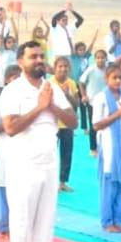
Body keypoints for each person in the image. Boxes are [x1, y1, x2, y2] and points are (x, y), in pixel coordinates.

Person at [0, 41, 78, 242]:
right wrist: (40, 107)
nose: (39, 61)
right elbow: (10, 127)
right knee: (22, 225)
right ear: (21, 61)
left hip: (48, 165)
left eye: (42, 56)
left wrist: (51, 105)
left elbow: (73, 121)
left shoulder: (52, 88)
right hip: (23, 166)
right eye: (33, 56)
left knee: (44, 226)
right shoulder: (12, 90)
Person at [92, 66, 121, 232]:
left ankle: (118, 221)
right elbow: (96, 125)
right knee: (109, 185)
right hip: (109, 147)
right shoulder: (101, 98)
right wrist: (118, 113)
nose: (118, 81)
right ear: (107, 79)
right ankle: (107, 222)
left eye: (120, 78)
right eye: (114, 78)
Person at [0, 65, 22, 236]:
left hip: (20, 150)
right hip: (3, 150)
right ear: (7, 80)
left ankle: (18, 224)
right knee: (2, 186)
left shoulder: (25, 101)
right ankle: (4, 226)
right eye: (14, 77)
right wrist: (11, 123)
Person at [52, 56, 81, 192]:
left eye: (65, 66)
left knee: (66, 154)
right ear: (55, 68)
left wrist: (67, 95)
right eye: (60, 66)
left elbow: (76, 105)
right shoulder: (49, 83)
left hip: (67, 125)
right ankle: (50, 182)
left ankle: (62, 182)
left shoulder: (72, 83)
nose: (63, 69)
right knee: (50, 154)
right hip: (52, 125)